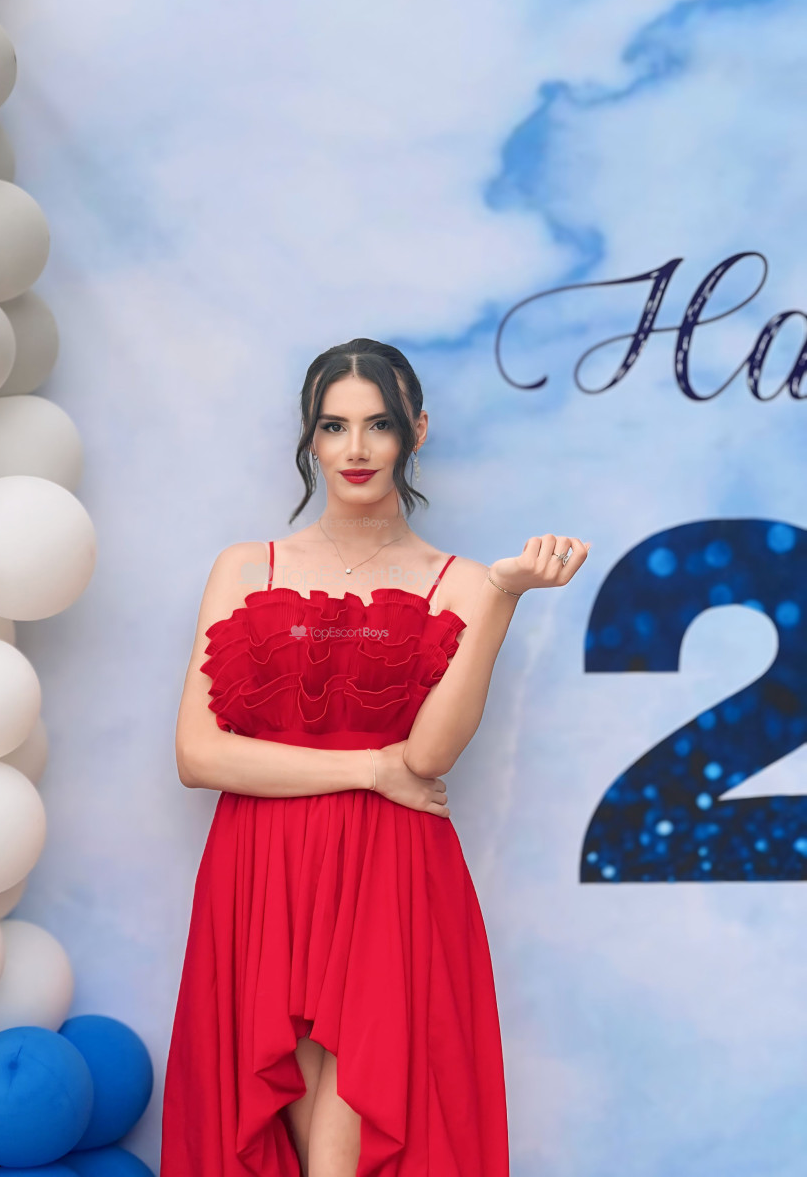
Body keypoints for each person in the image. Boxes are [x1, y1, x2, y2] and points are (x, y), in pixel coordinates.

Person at [160, 338, 591, 1176]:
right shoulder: (245, 568)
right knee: (279, 1124)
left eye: (379, 425)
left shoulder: (462, 579)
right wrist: (367, 770)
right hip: (263, 876)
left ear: (416, 431)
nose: (355, 448)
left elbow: (428, 755)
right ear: (309, 435)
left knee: (355, 1128)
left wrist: (502, 599)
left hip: (391, 873)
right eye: (334, 426)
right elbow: (197, 755)